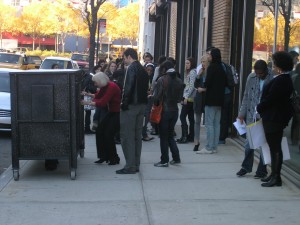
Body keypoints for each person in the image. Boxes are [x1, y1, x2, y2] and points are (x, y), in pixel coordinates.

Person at [257, 51, 294, 187]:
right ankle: (273, 174)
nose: (272, 65)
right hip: (273, 118)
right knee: (273, 147)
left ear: (279, 65)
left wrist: (259, 107)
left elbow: (271, 99)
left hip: (275, 119)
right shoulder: (282, 78)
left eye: (274, 62)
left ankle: (276, 177)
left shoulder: (282, 80)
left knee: (275, 148)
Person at [236, 60, 273, 178]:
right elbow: (246, 96)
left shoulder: (273, 78)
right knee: (248, 144)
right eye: (257, 73)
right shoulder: (251, 77)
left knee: (264, 144)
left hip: (266, 116)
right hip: (252, 115)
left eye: (261, 74)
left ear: (266, 71)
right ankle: (246, 167)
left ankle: (262, 170)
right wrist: (241, 114)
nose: (258, 75)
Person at [116, 48, 149, 174]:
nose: (123, 60)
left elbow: (128, 88)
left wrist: (124, 104)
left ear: (129, 56)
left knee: (126, 136)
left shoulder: (131, 69)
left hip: (130, 106)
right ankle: (136, 163)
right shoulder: (143, 70)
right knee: (137, 136)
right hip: (141, 105)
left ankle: (130, 165)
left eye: (124, 58)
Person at [81, 72, 121, 165]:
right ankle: (104, 156)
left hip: (117, 113)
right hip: (112, 112)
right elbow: (98, 95)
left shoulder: (111, 87)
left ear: (100, 81)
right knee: (99, 131)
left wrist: (88, 103)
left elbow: (103, 102)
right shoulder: (105, 86)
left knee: (108, 134)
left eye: (95, 82)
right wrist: (87, 94)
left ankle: (114, 157)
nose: (95, 84)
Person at [153, 60, 184, 167]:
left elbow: (157, 97)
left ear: (164, 69)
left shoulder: (162, 80)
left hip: (164, 111)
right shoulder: (179, 81)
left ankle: (164, 160)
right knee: (170, 135)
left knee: (164, 137)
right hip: (175, 110)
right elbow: (180, 98)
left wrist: (153, 99)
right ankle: (176, 158)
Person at [196, 47, 226, 154]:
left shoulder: (212, 68)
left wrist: (203, 85)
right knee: (216, 124)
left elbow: (207, 83)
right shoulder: (222, 68)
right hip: (220, 100)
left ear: (213, 56)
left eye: (209, 54)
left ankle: (209, 147)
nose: (208, 56)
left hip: (211, 100)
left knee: (209, 124)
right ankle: (214, 146)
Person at [177, 57, 197, 144]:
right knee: (191, 118)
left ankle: (185, 136)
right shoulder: (190, 72)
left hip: (189, 98)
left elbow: (191, 86)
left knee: (182, 117)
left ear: (192, 64)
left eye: (188, 63)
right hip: (190, 98)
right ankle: (191, 136)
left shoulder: (192, 72)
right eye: (186, 63)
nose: (186, 65)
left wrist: (185, 97)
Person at [193, 55, 208, 151]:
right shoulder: (200, 71)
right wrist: (198, 75)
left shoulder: (210, 72)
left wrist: (204, 89)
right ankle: (196, 141)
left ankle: (208, 142)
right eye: (201, 61)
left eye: (204, 61)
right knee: (197, 121)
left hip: (206, 99)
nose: (203, 63)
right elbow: (195, 84)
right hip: (198, 98)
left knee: (208, 122)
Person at [142, 63, 155, 141]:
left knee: (147, 116)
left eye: (151, 70)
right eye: (148, 70)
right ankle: (144, 134)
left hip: (149, 99)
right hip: (144, 99)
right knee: (145, 117)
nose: (149, 71)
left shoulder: (152, 78)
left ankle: (144, 133)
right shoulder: (143, 78)